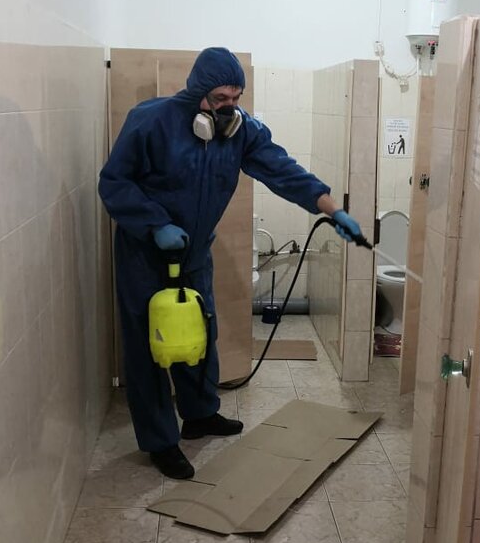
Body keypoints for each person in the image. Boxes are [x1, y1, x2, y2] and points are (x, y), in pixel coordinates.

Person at [99, 47, 364, 479]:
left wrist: (333, 211)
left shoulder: (241, 133)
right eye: (221, 98)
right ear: (198, 93)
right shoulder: (150, 121)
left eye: (236, 98)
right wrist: (155, 224)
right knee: (150, 347)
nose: (229, 108)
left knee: (199, 336)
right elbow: (114, 182)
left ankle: (200, 414)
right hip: (145, 254)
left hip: (194, 255)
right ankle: (161, 441)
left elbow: (284, 172)